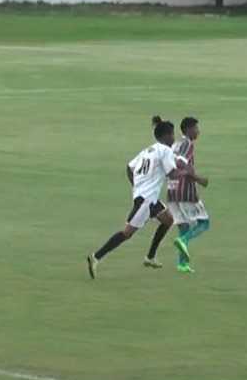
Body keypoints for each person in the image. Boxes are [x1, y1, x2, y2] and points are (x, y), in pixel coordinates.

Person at [86, 117, 187, 279]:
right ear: (166, 135)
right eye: (172, 134)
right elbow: (171, 174)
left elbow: (129, 167)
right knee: (127, 233)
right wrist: (187, 172)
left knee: (168, 220)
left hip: (147, 198)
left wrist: (137, 187)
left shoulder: (147, 151)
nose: (173, 138)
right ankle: (95, 257)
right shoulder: (165, 150)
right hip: (146, 201)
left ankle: (150, 257)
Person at [168, 116, 211, 274]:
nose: (198, 131)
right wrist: (198, 178)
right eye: (196, 128)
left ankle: (182, 264)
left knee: (184, 226)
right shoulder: (187, 144)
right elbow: (180, 163)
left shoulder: (175, 144)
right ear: (188, 130)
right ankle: (183, 241)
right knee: (204, 223)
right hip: (185, 191)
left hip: (172, 191)